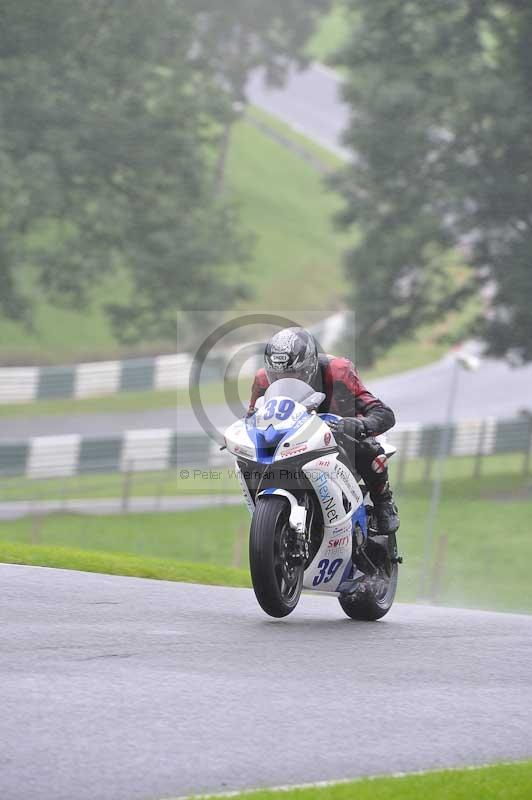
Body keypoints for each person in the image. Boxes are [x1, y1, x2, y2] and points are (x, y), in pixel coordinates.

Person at [248, 327, 399, 535]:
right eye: (278, 374)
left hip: (340, 435)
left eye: (293, 373)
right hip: (292, 440)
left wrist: (360, 425)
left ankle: (383, 502)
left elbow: (383, 413)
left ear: (309, 365)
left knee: (368, 447)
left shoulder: (339, 371)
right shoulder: (263, 380)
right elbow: (252, 417)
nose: (284, 378)